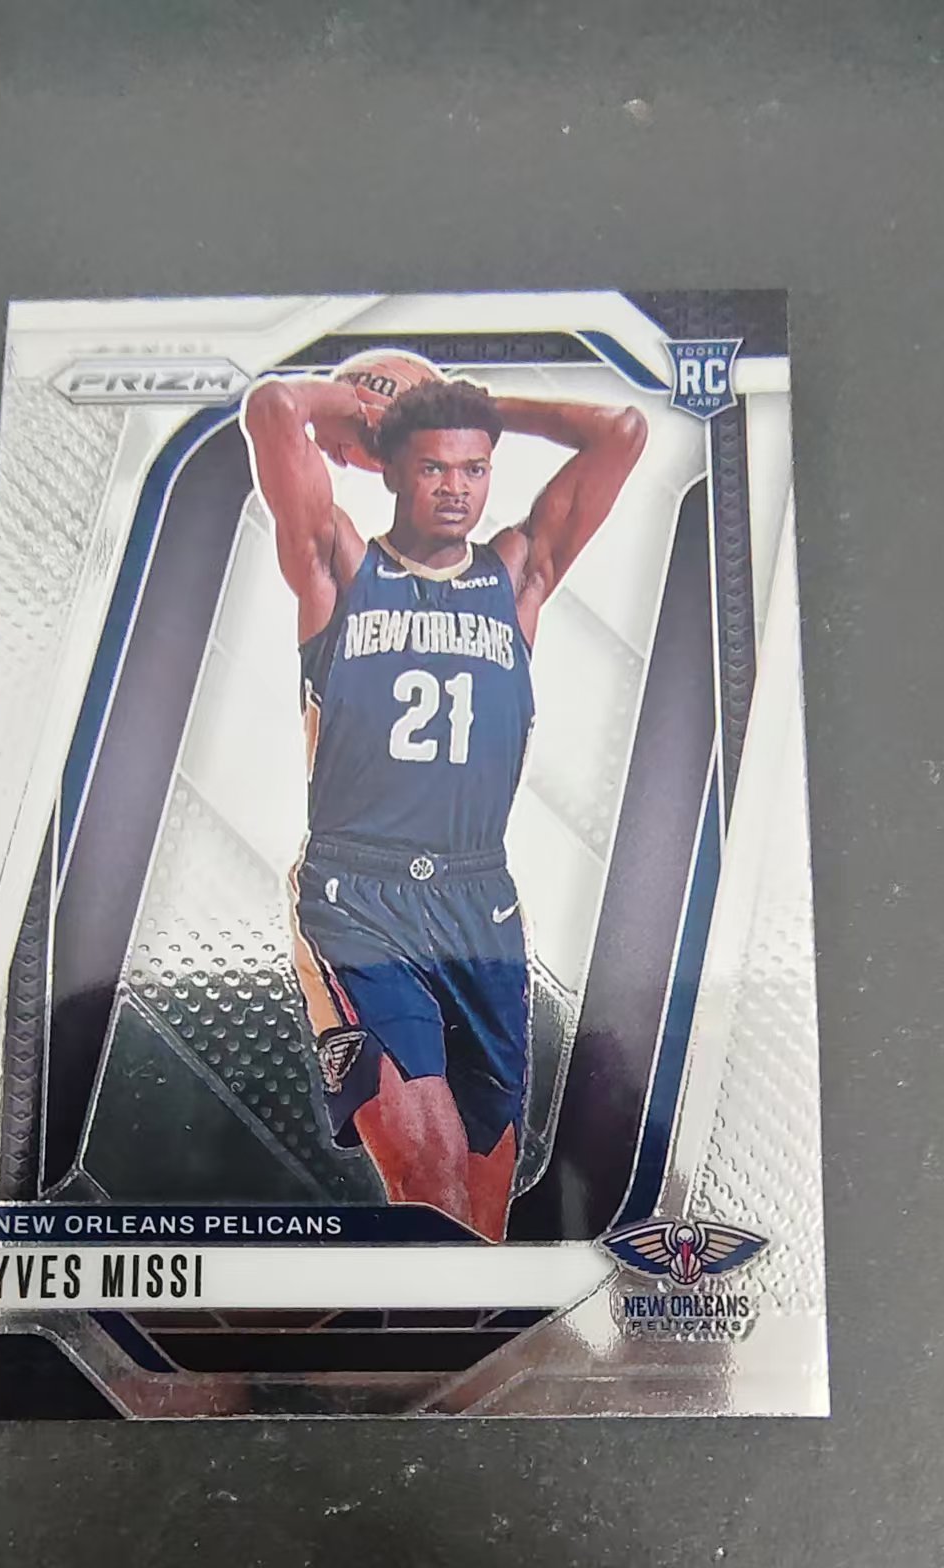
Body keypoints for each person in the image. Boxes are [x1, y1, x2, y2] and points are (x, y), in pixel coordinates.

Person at [242, 366, 645, 1240]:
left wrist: (488, 408)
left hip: (479, 906)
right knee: (428, 1187)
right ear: (391, 468)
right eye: (432, 467)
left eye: (473, 468)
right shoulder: (342, 570)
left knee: (481, 1223)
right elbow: (274, 408)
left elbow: (620, 430)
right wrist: (363, 409)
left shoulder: (516, 576)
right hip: (360, 897)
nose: (455, 488)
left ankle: (425, 1338)